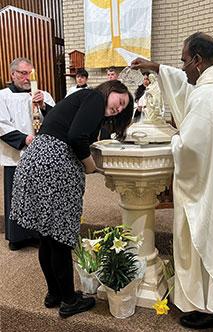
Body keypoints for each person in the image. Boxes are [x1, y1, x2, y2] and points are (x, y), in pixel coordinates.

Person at [131, 32, 213, 329]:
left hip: (208, 186)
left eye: (184, 61)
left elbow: (190, 145)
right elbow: (188, 92)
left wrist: (173, 140)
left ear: (197, 60)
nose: (182, 67)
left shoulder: (208, 94)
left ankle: (212, 308)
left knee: (204, 240)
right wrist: (158, 68)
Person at [9, 80, 134, 318]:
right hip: (55, 166)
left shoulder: (82, 99)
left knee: (47, 236)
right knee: (60, 239)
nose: (119, 108)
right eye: (120, 101)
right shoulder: (94, 97)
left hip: (36, 161)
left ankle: (54, 293)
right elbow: (77, 137)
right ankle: (68, 300)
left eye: (123, 108)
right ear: (111, 90)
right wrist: (90, 166)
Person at [0, 57, 55, 251]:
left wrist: (43, 107)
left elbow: (57, 120)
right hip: (16, 155)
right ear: (12, 74)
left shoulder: (42, 95)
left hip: (39, 155)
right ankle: (17, 238)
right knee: (16, 196)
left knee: (38, 195)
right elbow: (1, 124)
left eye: (30, 73)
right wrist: (24, 139)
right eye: (23, 73)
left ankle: (37, 234)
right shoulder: (3, 96)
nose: (27, 77)